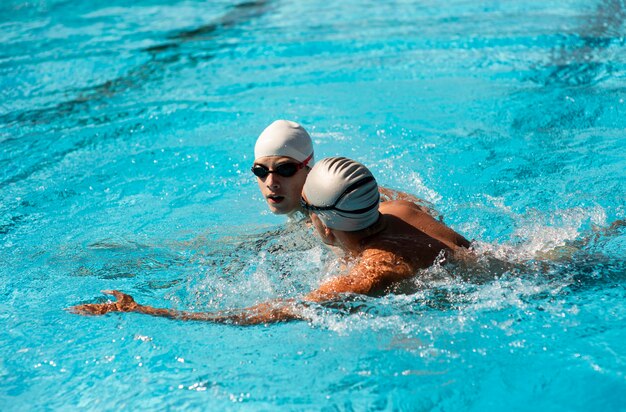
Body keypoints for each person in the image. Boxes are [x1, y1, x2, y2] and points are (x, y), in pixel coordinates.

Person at [71, 157, 470, 324]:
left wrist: (151, 311)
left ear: (323, 226)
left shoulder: (374, 268)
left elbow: (284, 310)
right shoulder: (402, 211)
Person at [251, 119, 440, 220]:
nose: (271, 183)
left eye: (285, 169)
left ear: (309, 169)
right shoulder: (304, 210)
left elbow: (428, 210)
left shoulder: (340, 196)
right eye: (261, 171)